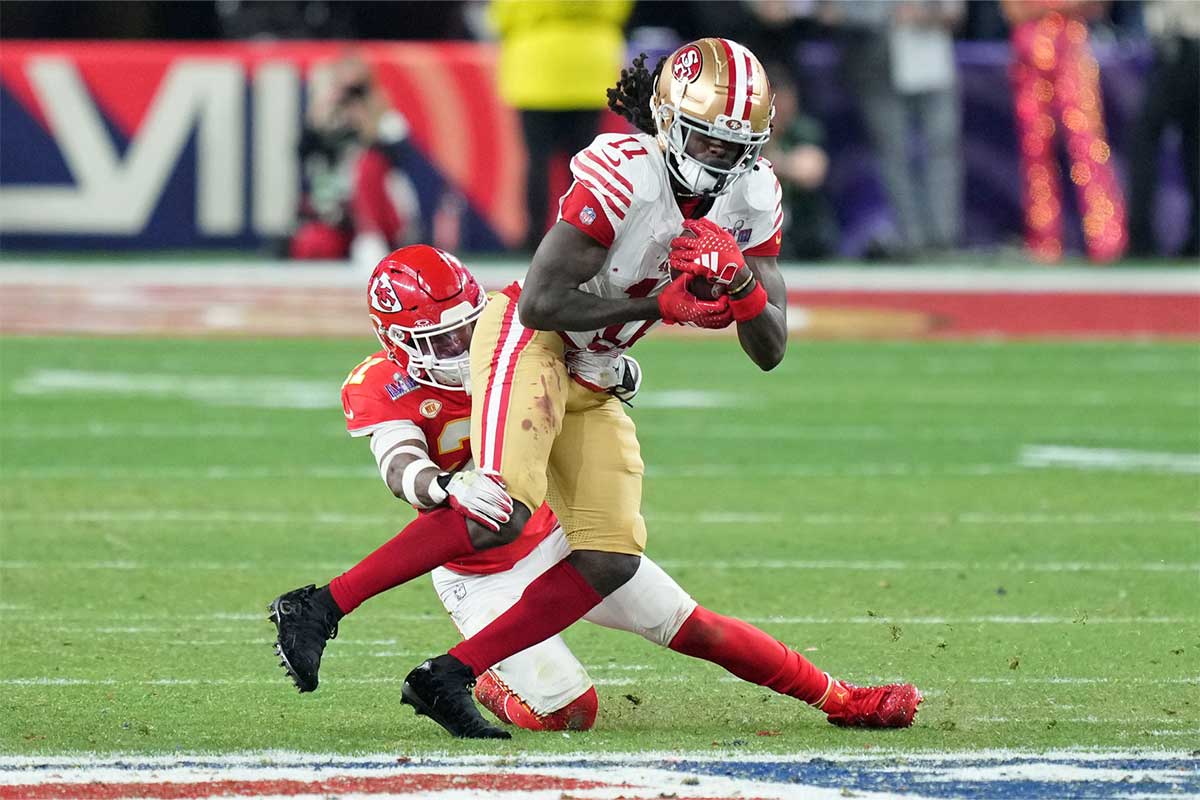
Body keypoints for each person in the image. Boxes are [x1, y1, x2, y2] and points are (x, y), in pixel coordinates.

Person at [395, 39, 921, 739]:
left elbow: (771, 348)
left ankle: (839, 699)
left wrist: (738, 285)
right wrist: (660, 304)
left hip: (594, 380)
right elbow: (540, 305)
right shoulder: (622, 175)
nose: (722, 165)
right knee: (550, 653)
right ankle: (359, 620)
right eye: (707, 141)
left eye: (739, 148)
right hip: (533, 379)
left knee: (647, 588)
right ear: (670, 123)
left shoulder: (753, 192)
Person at [269, 245, 923, 734]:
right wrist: (440, 485)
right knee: (572, 712)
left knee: (698, 629)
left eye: (469, 327)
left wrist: (608, 372)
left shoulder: (509, 339)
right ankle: (489, 676)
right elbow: (398, 463)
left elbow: (576, 365)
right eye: (443, 339)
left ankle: (840, 699)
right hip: (480, 573)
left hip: (556, 536)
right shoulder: (380, 381)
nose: (464, 346)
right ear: (398, 341)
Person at [489, 0, 634, 251]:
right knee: (586, 164)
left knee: (537, 160)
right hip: (590, 63)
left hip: (535, 62)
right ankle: (582, 233)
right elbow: (619, 8)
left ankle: (533, 238)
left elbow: (503, 14)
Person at [826, 0, 965, 259]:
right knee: (893, 154)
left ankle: (944, 238)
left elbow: (954, 12)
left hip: (932, 57)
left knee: (942, 148)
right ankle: (911, 240)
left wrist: (929, 13)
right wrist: (885, 13)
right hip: (878, 63)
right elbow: (833, 12)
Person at [1001, 0, 1127, 263]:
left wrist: (1043, 9)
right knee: (1035, 149)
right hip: (1030, 46)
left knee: (1088, 145)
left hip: (1069, 45)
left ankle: (1106, 238)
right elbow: (1013, 11)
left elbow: (1095, 6)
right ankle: (1044, 241)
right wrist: (1061, 8)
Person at [289, 52, 422, 270]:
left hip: (382, 217)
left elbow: (400, 158)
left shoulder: (386, 118)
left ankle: (370, 238)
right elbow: (303, 155)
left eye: (357, 90)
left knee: (367, 164)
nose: (352, 98)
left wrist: (368, 122)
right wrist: (320, 117)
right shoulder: (328, 117)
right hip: (338, 213)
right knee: (313, 246)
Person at [1126, 0, 1199, 258]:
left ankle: (1141, 239)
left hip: (1182, 45)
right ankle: (1194, 240)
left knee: (1145, 140)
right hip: (1183, 45)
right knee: (1194, 145)